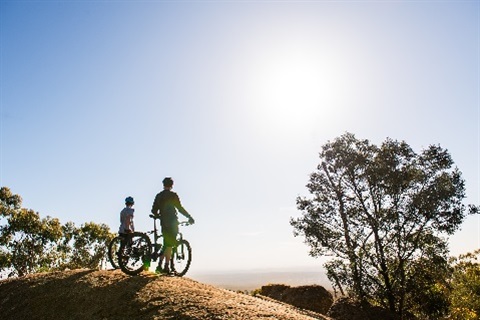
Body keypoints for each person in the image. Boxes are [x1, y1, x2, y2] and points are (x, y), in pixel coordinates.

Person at [151, 177, 194, 274]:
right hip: (173, 221)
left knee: (166, 242)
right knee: (170, 243)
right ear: (172, 185)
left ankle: (160, 266)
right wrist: (189, 217)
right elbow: (180, 208)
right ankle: (166, 266)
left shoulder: (159, 196)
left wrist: (158, 215)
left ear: (163, 185)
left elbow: (153, 210)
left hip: (163, 222)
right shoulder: (173, 195)